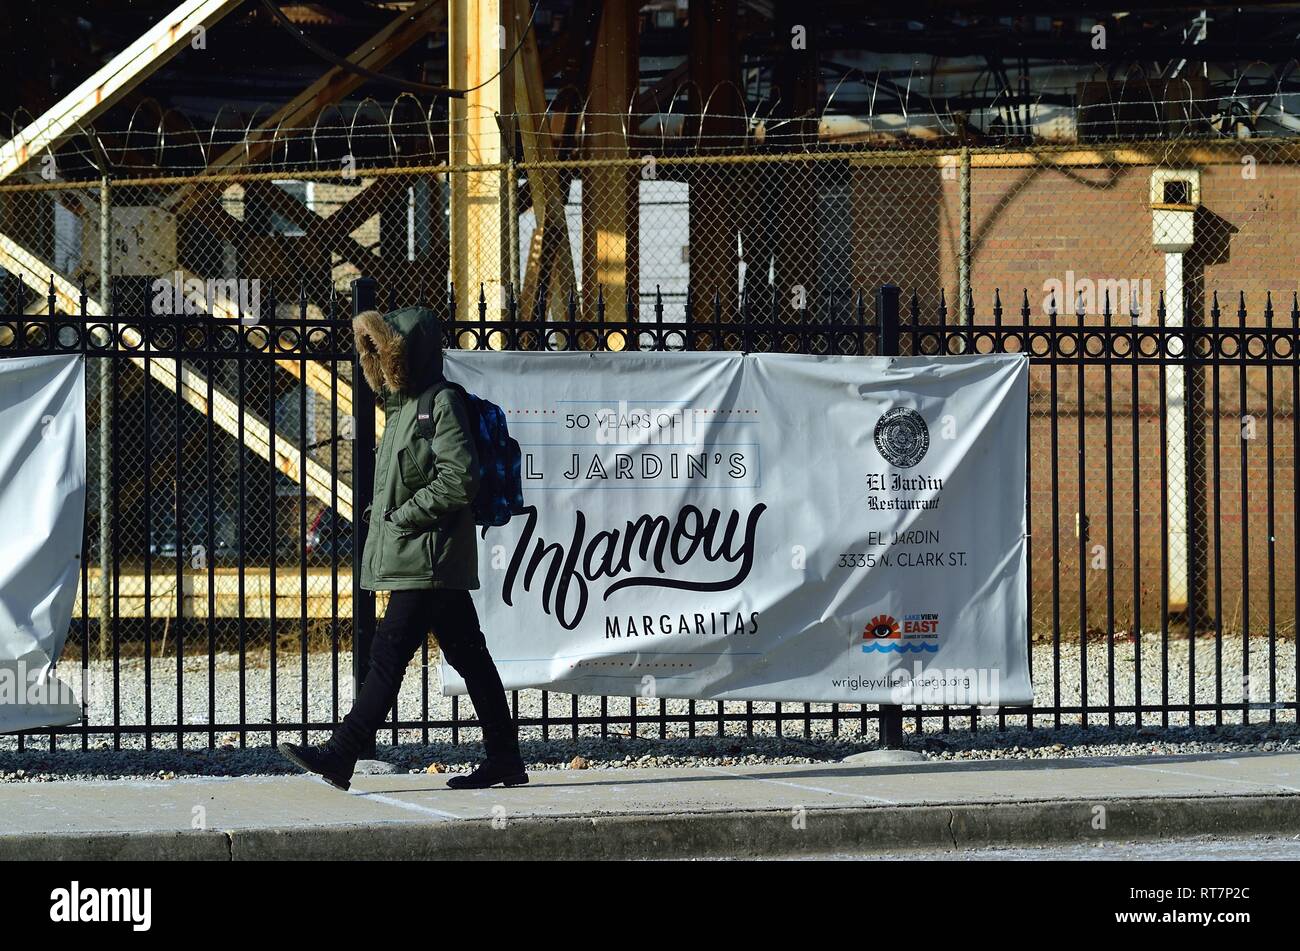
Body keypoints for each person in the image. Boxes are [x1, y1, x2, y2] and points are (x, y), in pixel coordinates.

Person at [279, 306, 526, 791]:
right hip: (426, 557)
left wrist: (403, 517)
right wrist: (387, 517)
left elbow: (459, 479)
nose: (378, 360)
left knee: (389, 654)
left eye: (385, 349)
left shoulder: (441, 402)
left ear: (408, 352)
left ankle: (341, 754)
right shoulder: (402, 408)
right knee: (470, 656)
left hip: (428, 556)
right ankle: (505, 758)